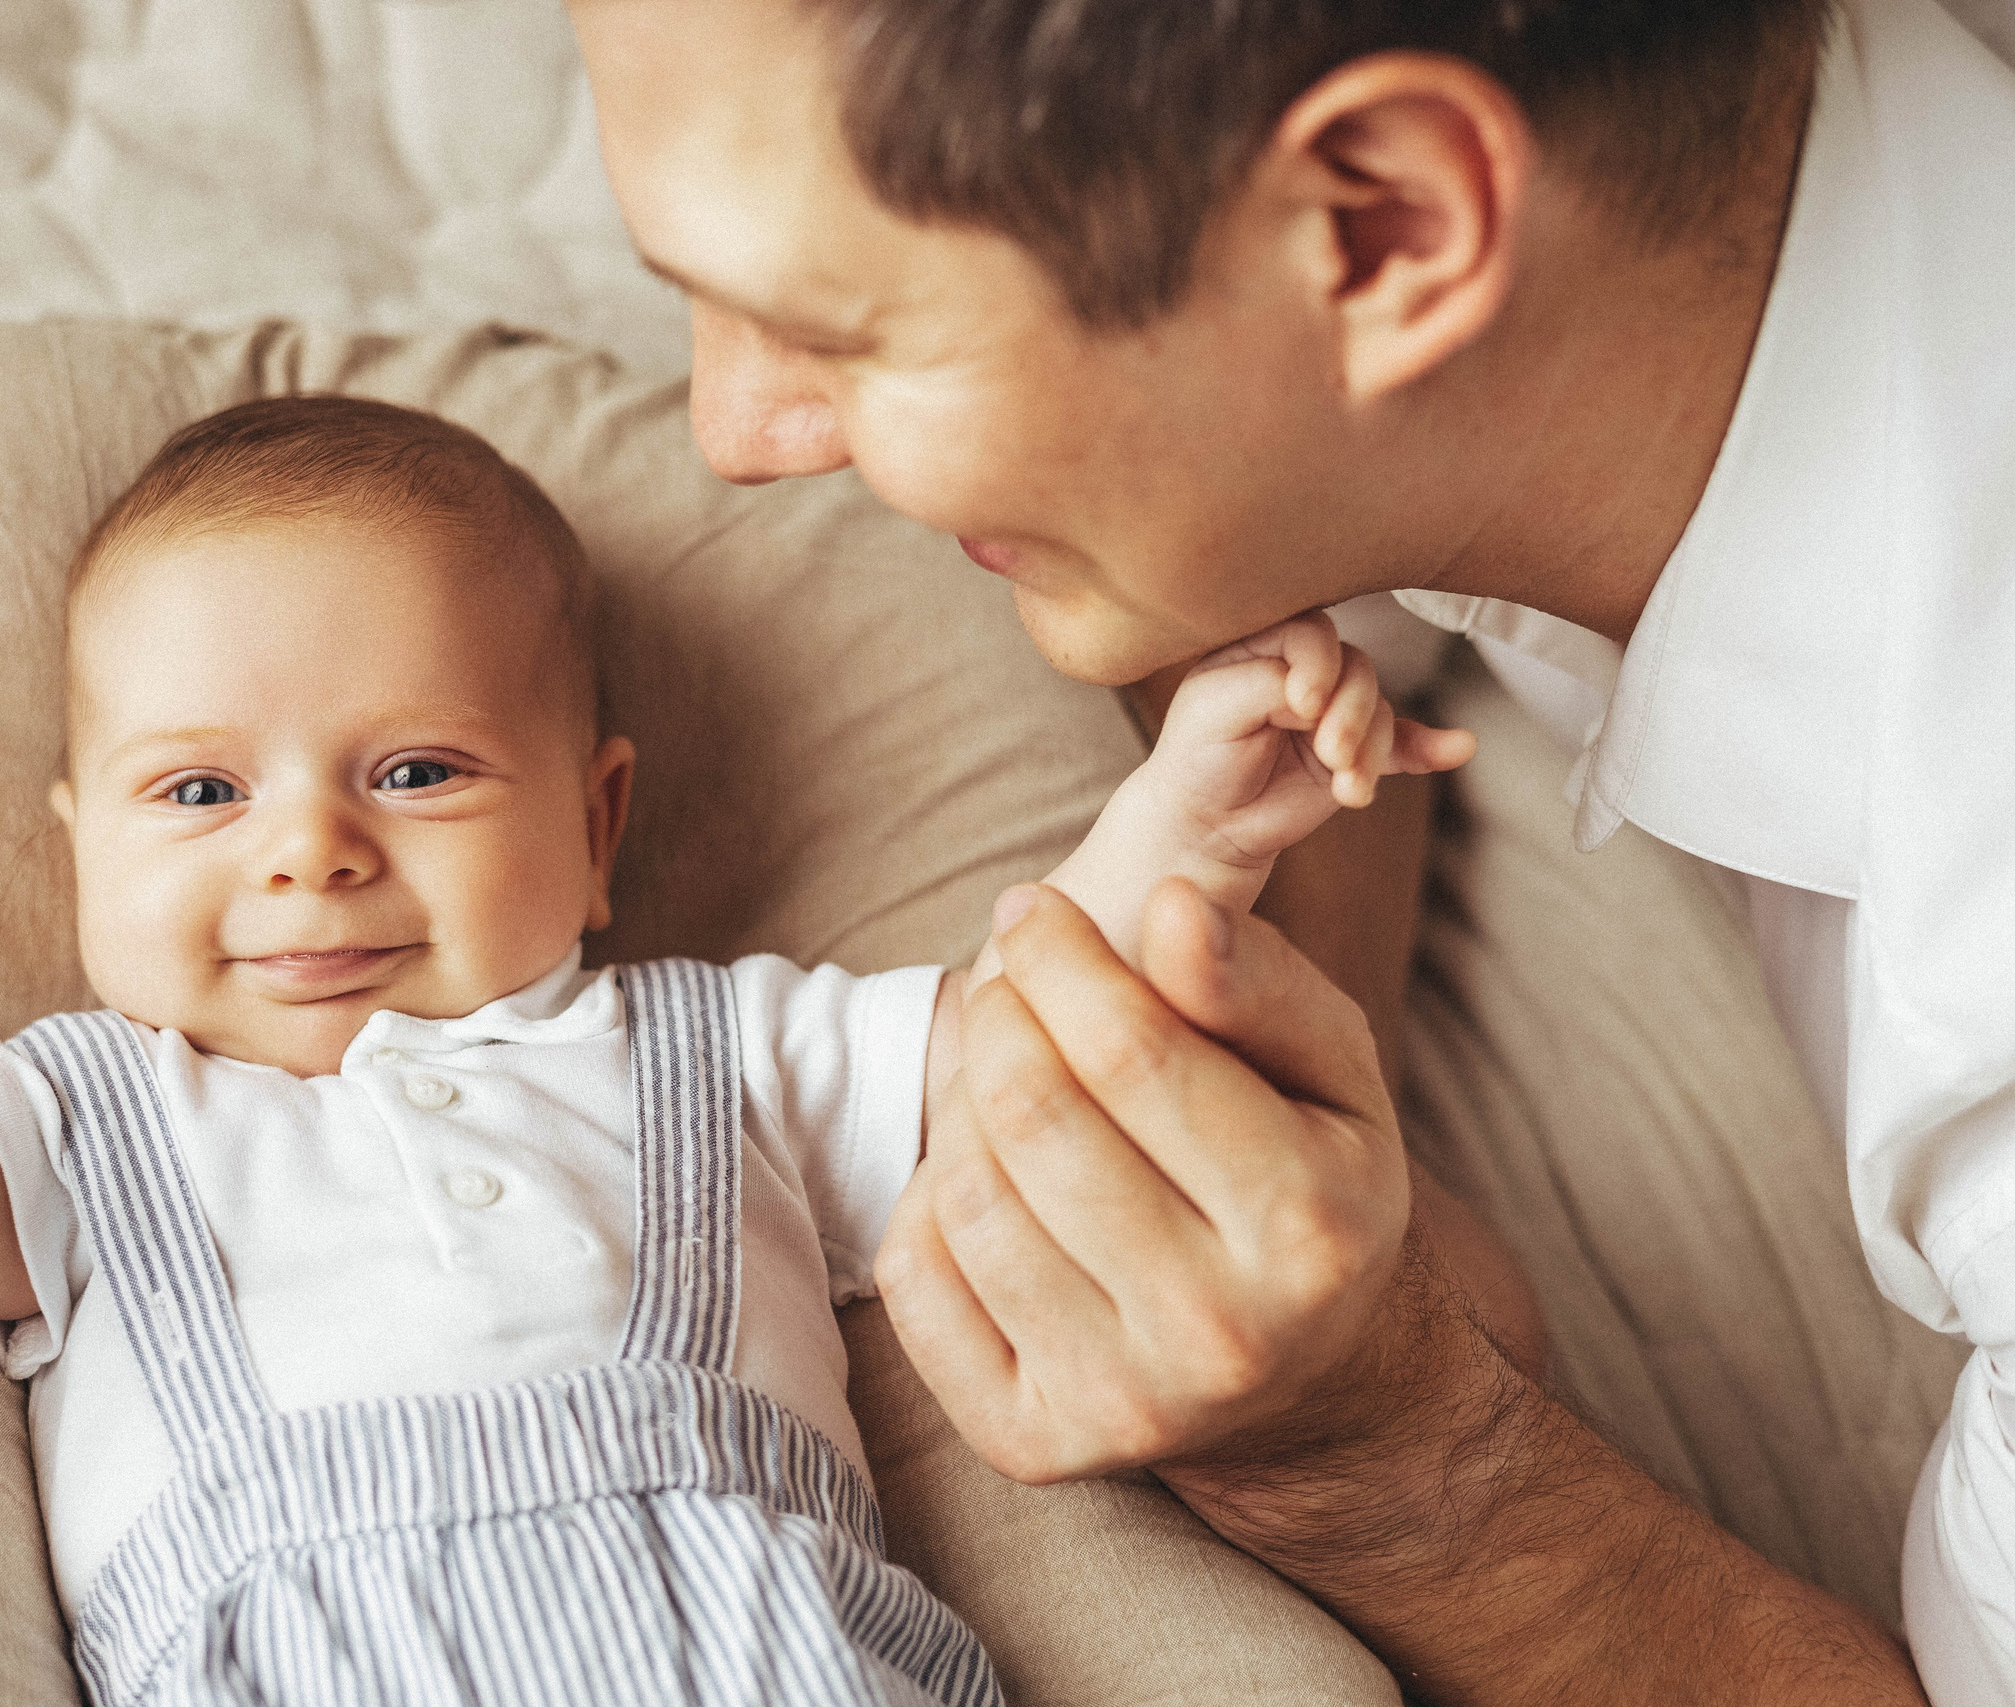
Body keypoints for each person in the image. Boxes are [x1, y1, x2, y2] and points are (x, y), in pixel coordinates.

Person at [0, 395, 1480, 1704]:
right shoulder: (87, 1106)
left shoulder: (721, 1054)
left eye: (417, 769)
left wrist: (1187, 832)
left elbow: (1048, 1039)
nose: (310, 846)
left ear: (596, 830)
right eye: (197, 793)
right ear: (73, 850)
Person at [565, 0, 2015, 1699]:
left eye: (828, 324)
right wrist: (1286, 1063)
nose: (739, 435)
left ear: (1392, 225)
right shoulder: (1636, 288)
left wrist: (1402, 1466)